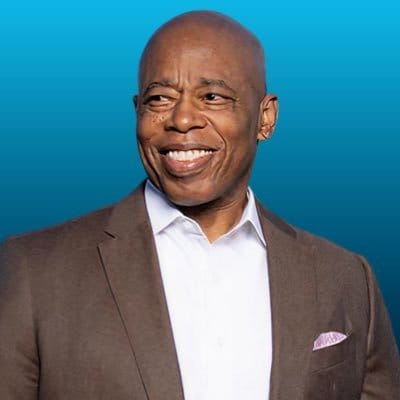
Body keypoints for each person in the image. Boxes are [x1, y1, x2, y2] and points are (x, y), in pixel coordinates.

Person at [0, 10, 399, 400]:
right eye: (160, 98)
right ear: (137, 111)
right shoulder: (34, 272)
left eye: (212, 96)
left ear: (265, 118)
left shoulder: (345, 278)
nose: (182, 118)